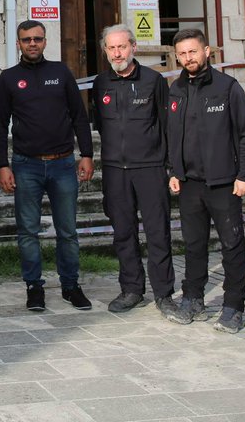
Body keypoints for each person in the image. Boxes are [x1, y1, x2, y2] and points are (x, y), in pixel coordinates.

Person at [0, 20, 94, 313]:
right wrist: (2, 164)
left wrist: (86, 154)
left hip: (63, 164)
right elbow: (0, 125)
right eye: (26, 39)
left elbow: (79, 115)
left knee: (68, 231)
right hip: (26, 166)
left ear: (45, 41)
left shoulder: (61, 72)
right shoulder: (9, 78)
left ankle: (70, 286)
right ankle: (34, 287)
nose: (32, 44)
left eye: (37, 38)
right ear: (18, 43)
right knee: (27, 231)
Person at [165, 28, 245, 334]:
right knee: (193, 245)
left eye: (193, 51)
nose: (188, 58)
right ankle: (193, 298)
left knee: (232, 244)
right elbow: (172, 136)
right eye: (182, 53)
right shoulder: (176, 90)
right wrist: (174, 170)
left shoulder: (227, 88)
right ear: (176, 56)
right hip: (189, 183)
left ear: (207, 51)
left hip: (223, 183)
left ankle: (234, 306)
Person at [91, 24, 177, 316]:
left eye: (122, 47)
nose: (117, 53)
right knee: (123, 233)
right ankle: (132, 290)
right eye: (111, 48)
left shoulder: (154, 81)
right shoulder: (101, 83)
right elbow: (101, 126)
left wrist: (171, 167)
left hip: (150, 169)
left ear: (133, 47)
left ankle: (164, 294)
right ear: (105, 51)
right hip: (116, 170)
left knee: (157, 232)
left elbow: (167, 127)